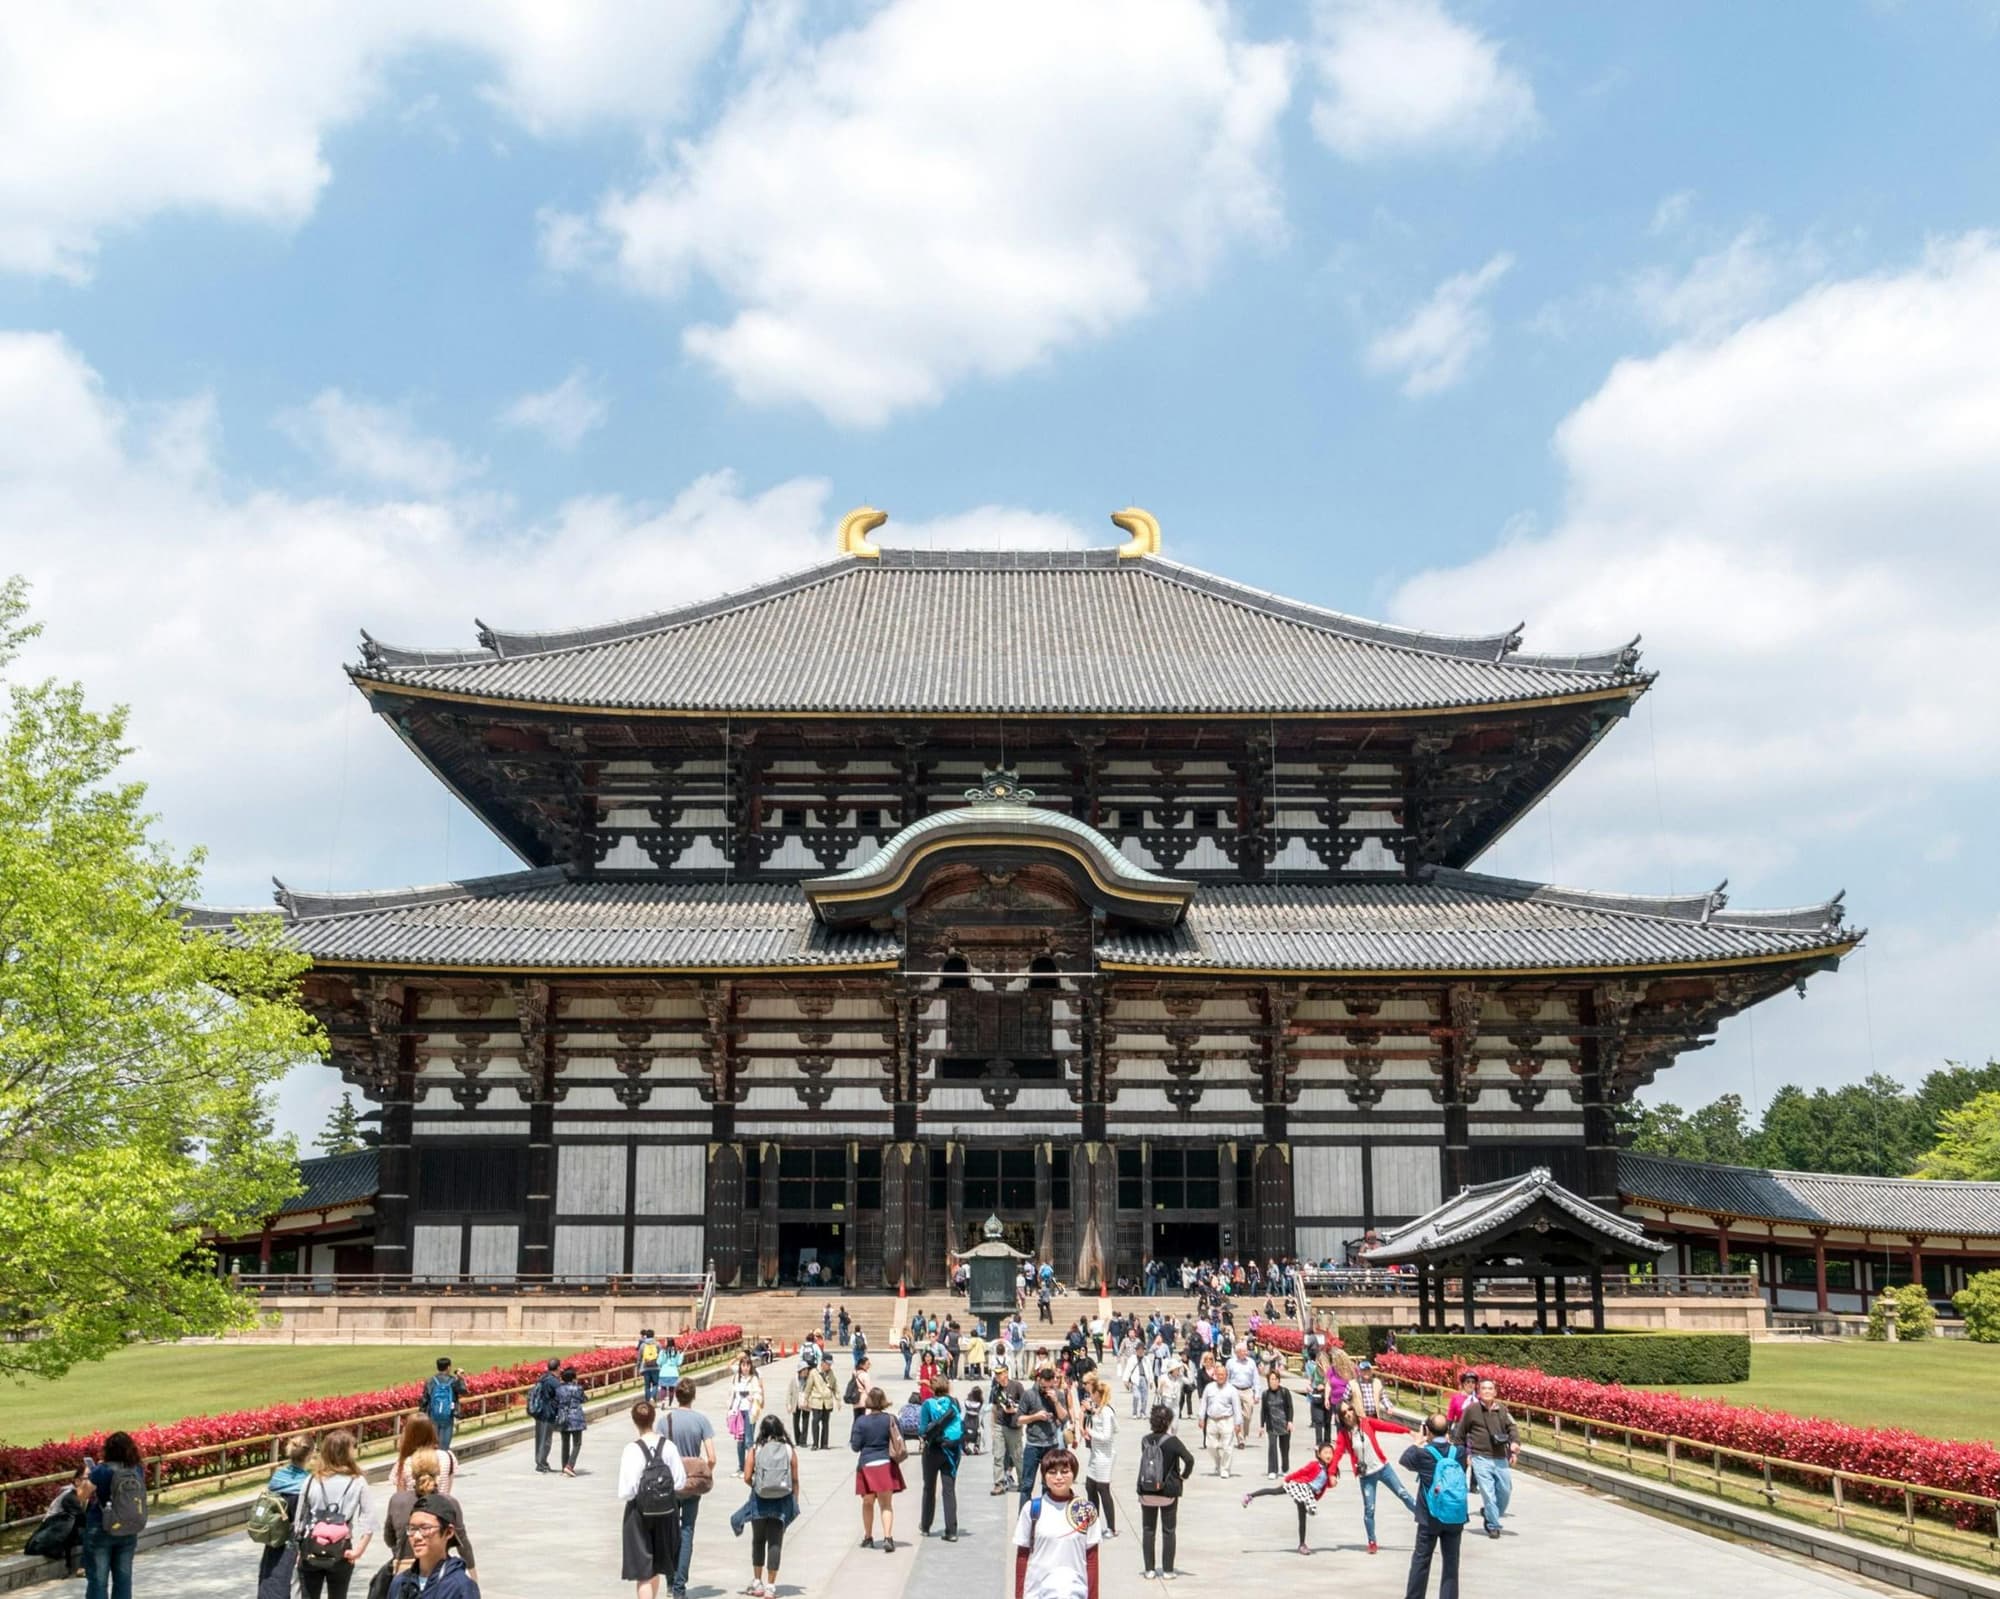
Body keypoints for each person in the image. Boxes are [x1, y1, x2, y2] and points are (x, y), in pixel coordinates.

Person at [292, 1428, 378, 1599]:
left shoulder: (311, 1480)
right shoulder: (357, 1481)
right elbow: (369, 1519)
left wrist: (298, 1549)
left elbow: (299, 1520)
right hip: (341, 1548)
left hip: (311, 1546)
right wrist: (359, 1551)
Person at [616, 1399, 687, 1599]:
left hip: (639, 1514)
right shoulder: (669, 1446)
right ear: (654, 1418)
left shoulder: (631, 1449)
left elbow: (626, 1490)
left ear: (634, 1421)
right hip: (666, 1511)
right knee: (657, 1566)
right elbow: (680, 1482)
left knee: (643, 1573)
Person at [1330, 1398, 1417, 1554]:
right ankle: (1372, 1541)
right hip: (1366, 1476)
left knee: (1403, 1494)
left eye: (1349, 1409)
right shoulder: (1344, 1434)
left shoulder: (1366, 1423)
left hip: (1383, 1468)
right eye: (1344, 1412)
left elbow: (1387, 1426)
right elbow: (1337, 1453)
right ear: (1341, 1417)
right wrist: (1331, 1473)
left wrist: (1408, 1431)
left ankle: (1426, 1519)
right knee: (1369, 1509)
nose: (1348, 1414)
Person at [382, 1448, 477, 1587]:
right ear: (438, 1471)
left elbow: (389, 1539)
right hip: (440, 1573)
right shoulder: (449, 1502)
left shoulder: (397, 1500)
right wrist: (473, 1575)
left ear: (411, 1472)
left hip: (403, 1574)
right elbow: (463, 1544)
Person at [1012, 1448, 1098, 1599]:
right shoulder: (1032, 1509)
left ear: (1074, 1474)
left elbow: (1092, 1559)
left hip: (1075, 1592)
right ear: (1044, 1476)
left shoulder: (1086, 1510)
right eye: (1052, 1472)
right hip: (1037, 1592)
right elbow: (1022, 1556)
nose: (1059, 1477)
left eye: (1065, 1471)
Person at [729, 1415, 799, 1599]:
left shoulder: (756, 1449)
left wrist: (757, 1485)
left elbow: (745, 1477)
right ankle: (771, 1586)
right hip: (782, 1500)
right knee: (775, 1542)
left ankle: (757, 1582)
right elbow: (795, 1478)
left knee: (758, 1540)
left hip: (759, 1500)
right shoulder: (788, 1450)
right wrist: (794, 1500)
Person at [1402, 1413, 1471, 1599]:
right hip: (1455, 1515)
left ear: (1427, 1430)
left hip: (1429, 1516)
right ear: (1448, 1430)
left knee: (1421, 1561)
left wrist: (1418, 1441)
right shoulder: (1460, 1452)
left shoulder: (1423, 1454)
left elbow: (1405, 1460)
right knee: (1451, 1563)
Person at [658, 1379, 715, 1599]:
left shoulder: (665, 1421)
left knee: (669, 1532)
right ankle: (680, 1586)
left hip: (671, 1484)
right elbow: (712, 1457)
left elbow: (658, 1453)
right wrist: (703, 1472)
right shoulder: (701, 1420)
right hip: (692, 1485)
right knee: (687, 1531)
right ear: (693, 1396)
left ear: (676, 1396)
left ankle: (671, 1582)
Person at [76, 1430, 146, 1599]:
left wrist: (89, 1474)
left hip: (101, 1528)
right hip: (129, 1527)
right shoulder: (137, 1469)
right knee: (123, 1579)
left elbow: (81, 1495)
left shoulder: (101, 1470)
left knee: (98, 1580)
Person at [1240, 1441, 1339, 1556]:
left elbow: (1326, 1485)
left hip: (1308, 1494)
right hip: (1299, 1486)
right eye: (1325, 1452)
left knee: (1303, 1517)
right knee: (1275, 1491)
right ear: (1319, 1454)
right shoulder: (1314, 1465)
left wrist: (1333, 1482)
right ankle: (1250, 1496)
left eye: (1331, 1453)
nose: (1328, 1455)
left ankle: (1302, 1544)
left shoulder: (1331, 1470)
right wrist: (1288, 1479)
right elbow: (1301, 1472)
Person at [1452, 1376, 1518, 1538]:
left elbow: (1512, 1428)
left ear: (1495, 1392)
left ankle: (1489, 1512)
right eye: (1484, 1389)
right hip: (1480, 1457)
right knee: (1488, 1493)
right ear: (1479, 1392)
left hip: (1500, 1457)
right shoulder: (1471, 1410)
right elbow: (1460, 1434)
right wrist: (1464, 1454)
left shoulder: (1502, 1409)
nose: (1487, 1391)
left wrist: (1514, 1445)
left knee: (1505, 1490)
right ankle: (1493, 1525)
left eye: (1490, 1389)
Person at [1134, 1403, 1194, 1581]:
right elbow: (1189, 1459)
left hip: (1147, 1490)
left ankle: (1149, 1570)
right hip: (1167, 1492)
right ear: (1168, 1421)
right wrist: (1183, 1476)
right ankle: (1167, 1570)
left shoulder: (1145, 1440)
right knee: (1168, 1531)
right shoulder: (1172, 1441)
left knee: (1148, 1530)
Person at [387, 1496, 479, 1599]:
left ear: (448, 1532)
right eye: (412, 1529)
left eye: (425, 1528)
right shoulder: (400, 1583)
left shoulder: (460, 1587)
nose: (417, 1536)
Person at [256, 1432, 313, 1597]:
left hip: (273, 1539)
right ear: (310, 1455)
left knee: (269, 1579)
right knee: (291, 1584)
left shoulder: (277, 1478)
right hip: (295, 1543)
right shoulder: (309, 1483)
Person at [850, 1386, 906, 1552]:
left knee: (867, 1502)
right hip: (886, 1464)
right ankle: (888, 1537)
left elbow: (855, 1446)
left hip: (867, 1464)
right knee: (886, 1504)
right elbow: (899, 1439)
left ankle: (868, 1537)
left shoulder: (861, 1421)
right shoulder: (890, 1419)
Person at [918, 1373, 964, 1540]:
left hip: (933, 1450)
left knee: (929, 1488)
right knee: (949, 1490)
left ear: (931, 1388)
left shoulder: (927, 1405)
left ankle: (925, 1525)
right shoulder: (954, 1403)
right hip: (951, 1450)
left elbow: (922, 1430)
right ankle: (951, 1530)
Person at [1018, 1366, 1063, 1506]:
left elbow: (1063, 1417)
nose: (1046, 1390)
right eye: (1044, 1387)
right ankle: (1023, 1518)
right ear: (1039, 1380)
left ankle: (1046, 1516)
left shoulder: (1057, 1394)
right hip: (1033, 1445)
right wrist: (1035, 1417)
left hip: (1051, 1444)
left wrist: (1055, 1402)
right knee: (1027, 1484)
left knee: (1048, 1485)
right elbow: (1019, 1419)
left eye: (1050, 1387)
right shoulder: (1029, 1395)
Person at [1081, 1376, 1117, 1540]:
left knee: (1103, 1489)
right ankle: (1093, 1522)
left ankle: (1111, 1526)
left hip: (1105, 1455)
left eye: (1093, 1393)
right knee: (1090, 1486)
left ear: (1098, 1394)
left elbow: (1107, 1435)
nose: (1091, 1395)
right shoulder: (1099, 1409)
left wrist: (1090, 1432)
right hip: (1096, 1454)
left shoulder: (1107, 1412)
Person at [393, 1416, 459, 1494]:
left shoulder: (404, 1463)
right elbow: (448, 1490)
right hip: (442, 1504)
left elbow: (401, 1498)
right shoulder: (448, 1457)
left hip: (414, 1505)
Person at [1197, 1369, 1242, 1478]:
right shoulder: (1209, 1388)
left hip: (1227, 1420)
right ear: (1215, 1375)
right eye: (1218, 1374)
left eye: (1223, 1375)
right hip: (1212, 1420)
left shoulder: (1232, 1390)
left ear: (1226, 1376)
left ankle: (1225, 1469)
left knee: (1227, 1447)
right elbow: (1204, 1403)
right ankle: (1218, 1462)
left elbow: (1237, 1407)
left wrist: (1238, 1423)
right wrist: (1201, 1418)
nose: (1220, 1377)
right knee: (1210, 1446)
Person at [990, 1369, 1026, 1496]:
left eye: (999, 1374)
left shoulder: (1017, 1386)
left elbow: (1025, 1406)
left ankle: (1023, 1482)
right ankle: (998, 1483)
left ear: (1006, 1374)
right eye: (996, 1374)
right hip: (1000, 1424)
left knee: (1017, 1456)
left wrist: (1014, 1410)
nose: (997, 1376)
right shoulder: (995, 1390)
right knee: (998, 1455)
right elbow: (994, 1409)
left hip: (1014, 1426)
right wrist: (992, 1428)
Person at [1257, 1366, 1295, 1478]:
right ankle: (1272, 1470)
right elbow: (1263, 1410)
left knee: (1284, 1448)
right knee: (1272, 1447)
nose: (1273, 1382)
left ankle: (1285, 1468)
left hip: (1284, 1424)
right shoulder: (1265, 1394)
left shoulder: (1284, 1392)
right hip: (1271, 1425)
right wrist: (1261, 1425)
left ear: (1279, 1380)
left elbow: (1290, 1407)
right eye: (1271, 1379)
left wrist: (1290, 1421)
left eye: (1275, 1379)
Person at [424, 1358, 467, 1453]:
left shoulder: (430, 1381)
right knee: (444, 1446)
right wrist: (460, 1378)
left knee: (434, 1445)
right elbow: (464, 1391)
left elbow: (425, 1400)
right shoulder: (453, 1380)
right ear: (448, 1367)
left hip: (433, 1415)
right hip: (448, 1414)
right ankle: (444, 1463)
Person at [529, 1357, 563, 1473]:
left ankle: (540, 1461)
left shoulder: (543, 1377)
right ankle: (541, 1463)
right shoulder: (553, 1381)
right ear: (558, 1367)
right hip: (547, 1413)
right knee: (546, 1439)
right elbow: (561, 1394)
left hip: (540, 1412)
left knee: (540, 1438)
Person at [555, 1364, 589, 1476]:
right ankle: (570, 1466)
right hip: (576, 1418)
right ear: (573, 1378)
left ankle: (564, 1466)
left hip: (563, 1417)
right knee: (577, 1443)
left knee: (565, 1443)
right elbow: (583, 1399)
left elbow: (555, 1402)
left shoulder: (558, 1389)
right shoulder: (578, 1388)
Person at [804, 1358, 837, 1450]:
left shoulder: (831, 1373)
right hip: (816, 1400)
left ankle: (824, 1443)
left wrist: (838, 1399)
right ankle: (815, 1443)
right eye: (828, 1364)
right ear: (822, 1363)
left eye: (830, 1365)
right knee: (815, 1422)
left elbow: (835, 1386)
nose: (829, 1366)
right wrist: (806, 1399)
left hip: (827, 1401)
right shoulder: (814, 1372)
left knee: (825, 1423)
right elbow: (808, 1386)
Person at [637, 1329, 663, 1402]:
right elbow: (661, 1356)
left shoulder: (643, 1345)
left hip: (645, 1368)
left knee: (647, 1385)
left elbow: (639, 1357)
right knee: (655, 1384)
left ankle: (648, 1401)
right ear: (653, 1335)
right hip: (656, 1367)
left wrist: (638, 1368)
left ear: (646, 1335)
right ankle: (652, 1398)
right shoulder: (657, 1344)